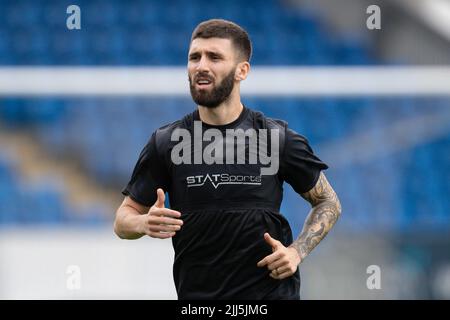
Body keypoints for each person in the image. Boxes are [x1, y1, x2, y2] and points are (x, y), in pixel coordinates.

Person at [114, 19, 341, 300]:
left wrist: (296, 252)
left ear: (241, 70)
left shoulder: (276, 138)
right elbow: (123, 219)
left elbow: (328, 201)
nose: (201, 66)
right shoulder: (166, 141)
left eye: (215, 57)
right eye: (194, 57)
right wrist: (143, 223)